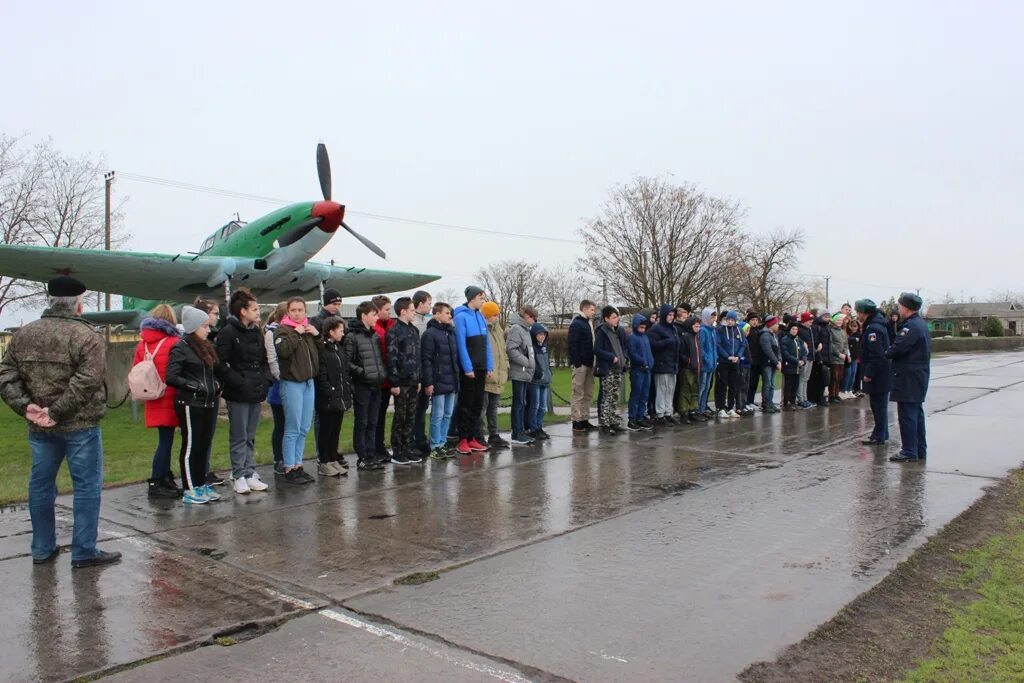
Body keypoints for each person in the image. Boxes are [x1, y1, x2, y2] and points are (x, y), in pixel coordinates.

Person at [0, 276, 120, 568]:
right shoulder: (86, 336)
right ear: (79, 304)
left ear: (50, 301)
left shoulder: (24, 334)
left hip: (41, 426)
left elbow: (6, 374)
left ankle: (42, 548)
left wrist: (26, 406)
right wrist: (55, 412)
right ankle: (84, 550)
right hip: (80, 425)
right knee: (86, 486)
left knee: (40, 485)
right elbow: (87, 381)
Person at [166, 305, 228, 505]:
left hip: (209, 402)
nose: (208, 329)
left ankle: (201, 483)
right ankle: (190, 487)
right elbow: (172, 376)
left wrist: (216, 386)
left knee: (204, 444)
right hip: (190, 402)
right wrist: (194, 387)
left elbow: (213, 372)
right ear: (193, 327)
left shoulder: (205, 346)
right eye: (204, 326)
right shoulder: (180, 347)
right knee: (191, 445)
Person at [216, 288, 273, 494]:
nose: (258, 312)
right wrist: (238, 382)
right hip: (238, 392)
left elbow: (264, 360)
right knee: (239, 435)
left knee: (250, 434)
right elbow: (220, 364)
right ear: (243, 311)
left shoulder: (257, 332)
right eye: (255, 309)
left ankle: (250, 472)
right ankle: (238, 474)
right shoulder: (228, 332)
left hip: (256, 390)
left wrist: (266, 380)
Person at [133, 304, 182, 499]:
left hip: (152, 394)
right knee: (166, 441)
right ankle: (156, 480)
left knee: (165, 439)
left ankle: (164, 476)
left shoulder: (142, 344)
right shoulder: (174, 342)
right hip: (169, 394)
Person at [273, 297, 320, 483]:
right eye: (294, 310)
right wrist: (297, 333)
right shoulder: (282, 330)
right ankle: (289, 467)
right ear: (288, 312)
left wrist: (317, 336)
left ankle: (298, 464)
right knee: (292, 427)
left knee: (304, 427)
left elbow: (320, 353)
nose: (298, 313)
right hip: (292, 382)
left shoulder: (308, 330)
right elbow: (283, 351)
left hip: (309, 382)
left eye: (301, 310)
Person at [887, 293, 931, 462]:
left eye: (900, 306)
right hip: (917, 375)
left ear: (906, 307)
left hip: (908, 377)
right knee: (916, 414)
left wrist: (887, 352)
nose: (898, 309)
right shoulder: (920, 324)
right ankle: (920, 449)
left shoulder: (910, 327)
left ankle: (909, 450)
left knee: (907, 415)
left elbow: (898, 348)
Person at [346, 301, 387, 469]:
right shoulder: (352, 336)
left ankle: (371, 454)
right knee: (362, 421)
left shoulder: (375, 336)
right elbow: (347, 362)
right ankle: (362, 456)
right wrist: (363, 372)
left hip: (376, 384)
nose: (376, 318)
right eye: (374, 314)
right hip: (362, 385)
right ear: (363, 316)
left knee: (373, 421)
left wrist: (381, 373)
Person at [453, 286, 493, 455]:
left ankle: (472, 438)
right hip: (469, 370)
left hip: (482, 367)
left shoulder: (481, 317)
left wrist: (489, 365)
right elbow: (461, 345)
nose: (483, 301)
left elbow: (486, 344)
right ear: (472, 299)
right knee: (466, 404)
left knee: (477, 404)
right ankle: (462, 439)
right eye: (481, 298)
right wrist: (467, 368)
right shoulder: (461, 317)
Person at [192, 297, 225, 486]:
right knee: (199, 437)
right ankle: (198, 475)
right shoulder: (194, 342)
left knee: (208, 436)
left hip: (212, 392)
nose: (217, 318)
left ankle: (204, 469)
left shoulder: (213, 338)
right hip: (199, 395)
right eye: (214, 314)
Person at [420, 302, 460, 460]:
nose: (449, 316)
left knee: (448, 414)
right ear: (436, 314)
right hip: (438, 380)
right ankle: (435, 445)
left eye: (450, 313)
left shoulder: (450, 333)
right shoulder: (430, 334)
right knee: (438, 414)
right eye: (446, 313)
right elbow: (427, 360)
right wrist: (429, 382)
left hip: (451, 379)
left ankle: (442, 443)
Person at [386, 297, 422, 465]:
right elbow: (391, 357)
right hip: (401, 381)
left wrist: (419, 377)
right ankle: (397, 450)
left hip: (414, 380)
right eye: (412, 310)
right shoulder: (394, 331)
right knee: (400, 416)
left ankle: (407, 447)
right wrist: (394, 382)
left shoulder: (414, 330)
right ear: (403, 311)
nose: (414, 313)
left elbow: (417, 356)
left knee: (410, 415)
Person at [315, 316, 352, 475]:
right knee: (326, 430)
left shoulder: (338, 348)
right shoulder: (323, 350)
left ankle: (332, 458)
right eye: (340, 331)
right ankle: (324, 461)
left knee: (335, 430)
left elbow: (343, 372)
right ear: (331, 331)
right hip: (328, 399)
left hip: (339, 397)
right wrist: (329, 391)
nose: (343, 334)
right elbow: (321, 375)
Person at [855, 299, 891, 445]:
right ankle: (881, 432)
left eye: (858, 312)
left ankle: (879, 435)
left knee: (878, 406)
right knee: (879, 405)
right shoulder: (877, 324)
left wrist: (869, 373)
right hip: (881, 373)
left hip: (878, 374)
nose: (857, 315)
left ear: (864, 312)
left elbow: (876, 355)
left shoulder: (873, 329)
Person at [506, 305, 537, 445]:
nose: (534, 321)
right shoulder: (516, 329)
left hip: (525, 372)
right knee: (518, 403)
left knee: (523, 402)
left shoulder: (525, 330)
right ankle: (516, 432)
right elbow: (511, 350)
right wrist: (527, 363)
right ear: (526, 316)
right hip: (519, 371)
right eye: (533, 318)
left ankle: (521, 430)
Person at [594, 306, 627, 434]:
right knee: (607, 396)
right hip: (608, 368)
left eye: (617, 317)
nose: (616, 319)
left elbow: (622, 347)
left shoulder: (617, 331)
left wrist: (624, 357)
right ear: (606, 318)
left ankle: (612, 420)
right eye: (613, 317)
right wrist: (611, 357)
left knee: (614, 396)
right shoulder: (602, 332)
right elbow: (597, 350)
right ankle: (605, 423)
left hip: (618, 368)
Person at [481, 301, 510, 448]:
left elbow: (502, 351)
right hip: (488, 375)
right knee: (483, 407)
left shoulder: (498, 329)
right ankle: (480, 435)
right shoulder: (482, 329)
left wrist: (506, 366)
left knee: (493, 407)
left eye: (497, 314)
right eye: (494, 315)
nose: (497, 317)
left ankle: (493, 434)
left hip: (499, 374)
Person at [263, 302, 288, 474]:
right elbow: (272, 360)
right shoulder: (271, 333)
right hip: (280, 387)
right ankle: (278, 458)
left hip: (294, 384)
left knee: (291, 426)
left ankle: (290, 458)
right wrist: (283, 378)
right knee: (281, 425)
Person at [567, 299, 597, 432]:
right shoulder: (577, 324)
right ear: (584, 309)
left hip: (590, 363)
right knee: (578, 392)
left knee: (588, 393)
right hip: (581, 364)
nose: (593, 312)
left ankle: (585, 418)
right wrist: (577, 363)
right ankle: (576, 420)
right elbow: (572, 344)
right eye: (591, 309)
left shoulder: (588, 323)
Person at [647, 304, 680, 425]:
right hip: (661, 364)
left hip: (672, 364)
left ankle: (668, 412)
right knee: (662, 389)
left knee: (670, 389)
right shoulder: (656, 329)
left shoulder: (673, 329)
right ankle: (660, 414)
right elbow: (652, 345)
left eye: (673, 315)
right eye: (669, 315)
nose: (671, 317)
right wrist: (667, 342)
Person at [372, 295, 395, 460]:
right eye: (386, 309)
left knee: (382, 414)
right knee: (375, 416)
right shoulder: (375, 329)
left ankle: (380, 446)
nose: (389, 312)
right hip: (378, 380)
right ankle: (375, 447)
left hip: (388, 379)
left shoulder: (391, 325)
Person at [411, 290, 433, 456]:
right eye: (428, 303)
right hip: (416, 372)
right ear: (420, 304)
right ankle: (413, 440)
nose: (430, 306)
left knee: (422, 408)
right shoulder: (415, 324)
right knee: (414, 409)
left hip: (427, 370)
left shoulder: (428, 321)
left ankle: (421, 438)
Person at [626, 314, 655, 431]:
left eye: (644, 328)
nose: (643, 330)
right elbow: (632, 353)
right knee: (636, 394)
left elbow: (649, 352)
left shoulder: (645, 337)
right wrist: (643, 362)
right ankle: (632, 418)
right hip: (638, 370)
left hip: (647, 370)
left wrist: (651, 362)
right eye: (641, 328)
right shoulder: (632, 337)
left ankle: (640, 416)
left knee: (644, 395)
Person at [715, 311, 746, 418]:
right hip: (724, 362)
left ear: (735, 320)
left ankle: (730, 407)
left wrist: (738, 356)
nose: (730, 322)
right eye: (728, 319)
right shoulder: (721, 330)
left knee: (733, 385)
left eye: (732, 320)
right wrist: (727, 356)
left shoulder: (739, 330)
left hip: (735, 362)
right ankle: (721, 408)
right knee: (722, 385)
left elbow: (743, 344)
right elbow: (718, 345)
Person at [676, 316, 704, 422]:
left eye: (698, 326)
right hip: (688, 368)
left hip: (697, 367)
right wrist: (688, 361)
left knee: (695, 390)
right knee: (686, 391)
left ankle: (693, 410)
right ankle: (684, 412)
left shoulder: (697, 338)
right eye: (695, 325)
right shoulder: (686, 337)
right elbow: (682, 353)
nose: (698, 327)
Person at [528, 322, 552, 439]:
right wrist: (538, 373)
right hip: (535, 380)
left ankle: (539, 426)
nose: (542, 336)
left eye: (543, 334)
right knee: (535, 405)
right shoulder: (532, 347)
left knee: (543, 406)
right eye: (539, 334)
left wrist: (549, 373)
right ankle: (533, 428)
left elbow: (547, 363)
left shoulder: (545, 347)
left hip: (545, 380)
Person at [779, 320, 806, 409]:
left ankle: (793, 401)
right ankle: (787, 403)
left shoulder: (799, 340)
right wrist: (797, 361)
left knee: (795, 385)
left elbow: (804, 352)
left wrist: (803, 360)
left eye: (796, 329)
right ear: (790, 329)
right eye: (793, 329)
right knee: (788, 385)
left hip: (797, 367)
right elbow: (786, 354)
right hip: (789, 366)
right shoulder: (785, 340)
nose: (794, 331)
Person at [697, 308, 719, 417]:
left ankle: (702, 409)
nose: (713, 319)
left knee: (706, 388)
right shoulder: (703, 330)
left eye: (714, 316)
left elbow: (714, 347)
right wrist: (707, 359)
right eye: (711, 316)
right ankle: (697, 410)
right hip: (705, 365)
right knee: (701, 387)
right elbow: (701, 348)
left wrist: (715, 359)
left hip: (712, 364)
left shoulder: (713, 330)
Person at [809, 310, 832, 407]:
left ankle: (820, 397)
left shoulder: (827, 327)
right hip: (819, 355)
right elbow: (816, 342)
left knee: (823, 378)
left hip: (827, 355)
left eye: (828, 316)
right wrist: (819, 357)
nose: (827, 318)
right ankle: (813, 398)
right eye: (825, 316)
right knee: (816, 378)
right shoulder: (816, 327)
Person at [759, 316, 782, 412]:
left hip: (773, 363)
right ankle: (766, 403)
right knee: (767, 384)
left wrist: (779, 360)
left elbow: (778, 349)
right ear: (771, 325)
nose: (777, 326)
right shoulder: (765, 335)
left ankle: (770, 402)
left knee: (772, 384)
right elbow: (768, 351)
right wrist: (776, 362)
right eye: (776, 324)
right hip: (767, 363)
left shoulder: (774, 335)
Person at [795, 312, 816, 408]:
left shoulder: (809, 329)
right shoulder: (800, 330)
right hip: (804, 357)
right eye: (809, 321)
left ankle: (805, 398)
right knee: (802, 378)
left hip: (811, 356)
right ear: (804, 321)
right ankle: (800, 399)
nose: (811, 323)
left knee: (806, 379)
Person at [828, 313, 850, 403]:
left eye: (841, 320)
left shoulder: (843, 331)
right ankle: (831, 395)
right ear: (834, 320)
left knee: (839, 377)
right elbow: (831, 344)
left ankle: (836, 394)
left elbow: (845, 344)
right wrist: (838, 353)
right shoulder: (831, 330)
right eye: (838, 320)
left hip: (842, 358)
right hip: (834, 357)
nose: (839, 322)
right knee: (834, 377)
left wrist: (845, 353)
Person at [745, 312, 764, 408]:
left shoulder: (758, 331)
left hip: (758, 361)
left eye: (756, 320)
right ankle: (747, 401)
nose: (755, 322)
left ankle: (751, 401)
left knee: (755, 383)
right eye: (753, 320)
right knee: (749, 382)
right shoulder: (747, 331)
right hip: (750, 360)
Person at [843, 319, 862, 398]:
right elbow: (846, 341)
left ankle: (850, 390)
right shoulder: (847, 334)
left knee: (853, 373)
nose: (854, 328)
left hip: (855, 357)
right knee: (848, 373)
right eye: (852, 326)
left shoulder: (859, 334)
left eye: (855, 326)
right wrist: (854, 339)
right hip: (849, 356)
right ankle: (844, 390)